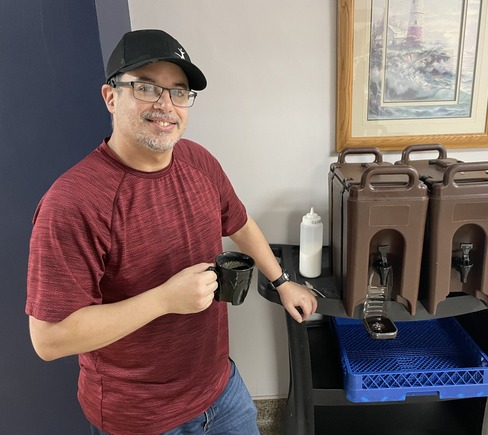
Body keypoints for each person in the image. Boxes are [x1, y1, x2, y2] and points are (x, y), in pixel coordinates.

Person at [26, 29, 317, 435]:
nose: (166, 105)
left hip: (221, 391)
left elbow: (238, 222)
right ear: (111, 97)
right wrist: (164, 299)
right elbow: (48, 339)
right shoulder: (74, 202)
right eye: (147, 87)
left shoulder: (198, 160)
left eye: (179, 92)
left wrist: (282, 281)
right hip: (139, 418)